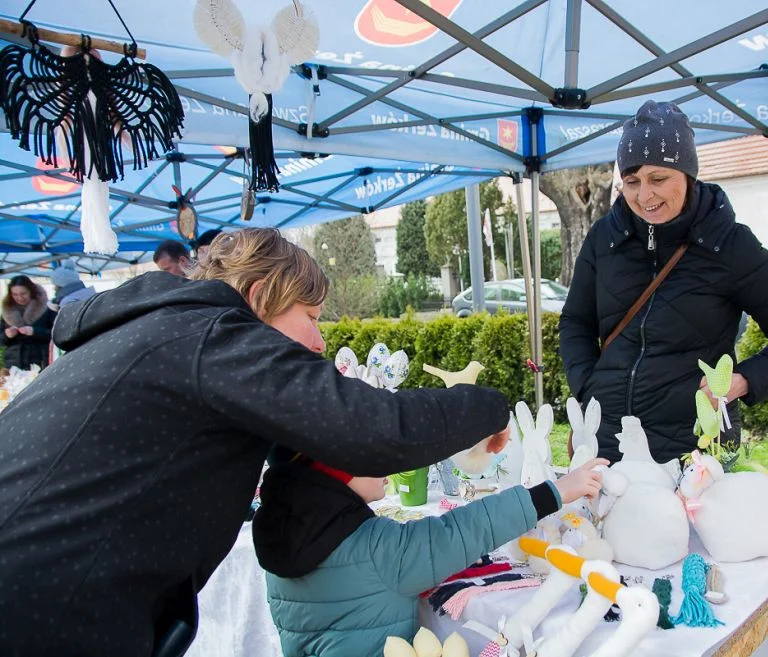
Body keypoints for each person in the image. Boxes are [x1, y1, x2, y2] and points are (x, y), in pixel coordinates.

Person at [0, 228, 512, 657]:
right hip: (44, 605)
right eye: (310, 316)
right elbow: (375, 431)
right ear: (261, 294)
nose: (319, 340)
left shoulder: (165, 332)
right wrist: (486, 405)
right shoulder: (214, 335)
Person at [559, 101, 768, 465]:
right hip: (607, 442)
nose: (644, 196)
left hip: (694, 446)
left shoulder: (730, 244)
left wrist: (742, 381)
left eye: (659, 179)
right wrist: (589, 387)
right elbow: (575, 322)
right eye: (632, 182)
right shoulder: (604, 239)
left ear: (688, 174)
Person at [254, 456, 607, 657]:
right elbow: (462, 531)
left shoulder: (287, 532)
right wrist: (557, 491)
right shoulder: (379, 549)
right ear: (340, 473)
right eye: (372, 453)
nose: (386, 461)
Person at [1, 274, 57, 370]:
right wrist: (7, 335)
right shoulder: (7, 311)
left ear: (31, 291)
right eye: (15, 294)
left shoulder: (47, 308)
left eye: (23, 293)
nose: (20, 298)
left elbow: (56, 335)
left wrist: (35, 331)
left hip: (41, 363)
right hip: (14, 366)